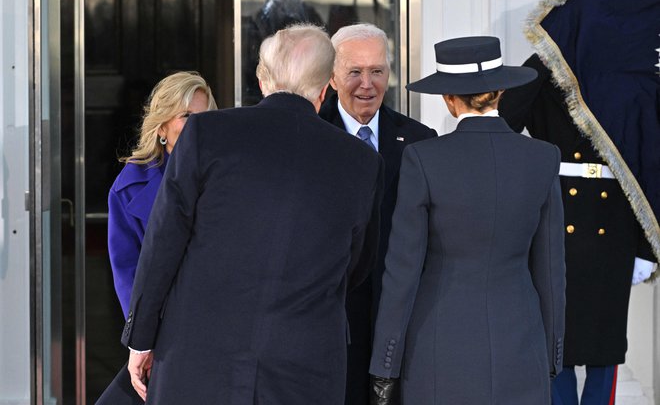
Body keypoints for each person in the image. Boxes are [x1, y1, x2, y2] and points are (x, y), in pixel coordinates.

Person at [122, 24, 384, 404]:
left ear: (263, 80)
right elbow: (357, 265)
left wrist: (141, 340)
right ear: (325, 88)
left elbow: (163, 243)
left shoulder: (206, 133)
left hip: (199, 357)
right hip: (305, 366)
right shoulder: (361, 161)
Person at [368, 36, 566, 404]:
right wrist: (552, 355)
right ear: (501, 90)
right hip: (521, 348)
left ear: (448, 98)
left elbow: (402, 273)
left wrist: (384, 365)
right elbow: (551, 272)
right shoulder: (542, 158)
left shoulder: (423, 160)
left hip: (439, 349)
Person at [500, 55, 657, 404]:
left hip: (614, 223)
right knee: (557, 342)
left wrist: (647, 245)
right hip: (556, 216)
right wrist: (547, 52)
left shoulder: (633, 77)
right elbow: (507, 119)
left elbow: (652, 162)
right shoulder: (548, 71)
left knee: (606, 346)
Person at [318, 23, 436, 405]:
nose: (367, 84)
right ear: (332, 78)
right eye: (355, 72)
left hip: (399, 319)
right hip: (330, 318)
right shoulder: (312, 136)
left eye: (377, 71)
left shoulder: (421, 141)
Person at [108, 71, 217, 319]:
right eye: (187, 116)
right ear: (162, 127)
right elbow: (127, 271)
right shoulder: (129, 187)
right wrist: (142, 336)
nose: (197, 125)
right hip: (164, 324)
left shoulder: (228, 176)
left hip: (220, 320)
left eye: (204, 117)